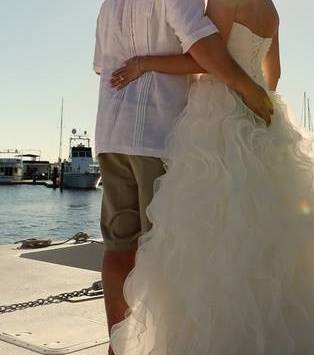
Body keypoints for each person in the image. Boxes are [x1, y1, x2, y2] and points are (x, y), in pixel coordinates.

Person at [108, 0, 314, 354]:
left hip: (217, 117)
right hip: (262, 114)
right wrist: (254, 97)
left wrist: (144, 63)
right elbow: (273, 75)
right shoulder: (271, 9)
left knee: (215, 233)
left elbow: (205, 57)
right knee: (274, 233)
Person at [93, 1, 272, 354]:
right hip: (156, 135)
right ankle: (162, 344)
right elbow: (201, 45)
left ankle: (118, 348)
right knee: (166, 247)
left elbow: (103, 66)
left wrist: (140, 63)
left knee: (118, 245)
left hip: (111, 133)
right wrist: (248, 88)